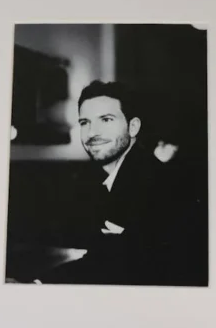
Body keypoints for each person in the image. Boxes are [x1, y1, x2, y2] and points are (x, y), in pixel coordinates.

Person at [43, 79, 207, 286]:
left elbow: (134, 270)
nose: (92, 133)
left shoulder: (161, 184)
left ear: (133, 127)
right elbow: (101, 260)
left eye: (106, 120)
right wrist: (38, 284)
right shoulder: (104, 180)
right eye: (85, 122)